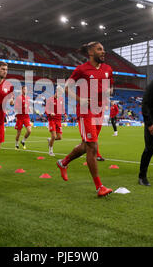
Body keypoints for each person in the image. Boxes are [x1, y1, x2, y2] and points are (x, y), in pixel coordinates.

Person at [56, 41, 114, 197]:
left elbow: (111, 87)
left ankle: (63, 162)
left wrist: (108, 92)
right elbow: (66, 87)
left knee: (86, 146)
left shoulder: (108, 69)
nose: (103, 52)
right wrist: (79, 99)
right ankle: (99, 187)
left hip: (99, 111)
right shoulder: (81, 69)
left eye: (103, 49)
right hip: (85, 111)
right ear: (90, 52)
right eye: (99, 49)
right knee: (93, 147)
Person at [45, 86, 65, 156]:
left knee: (59, 137)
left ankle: (49, 140)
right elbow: (46, 110)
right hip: (52, 120)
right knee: (53, 136)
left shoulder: (61, 99)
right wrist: (50, 113)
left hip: (58, 120)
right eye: (60, 93)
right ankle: (50, 151)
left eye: (61, 94)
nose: (60, 95)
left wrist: (64, 113)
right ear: (56, 91)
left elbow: (62, 108)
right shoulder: (50, 99)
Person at [14, 86, 32, 150]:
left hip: (26, 117)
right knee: (18, 133)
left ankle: (23, 141)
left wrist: (29, 109)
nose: (25, 90)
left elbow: (27, 106)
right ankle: (16, 144)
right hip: (20, 117)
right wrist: (22, 107)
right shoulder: (19, 98)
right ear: (22, 90)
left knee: (29, 131)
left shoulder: (28, 98)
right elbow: (16, 108)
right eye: (24, 89)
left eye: (26, 89)